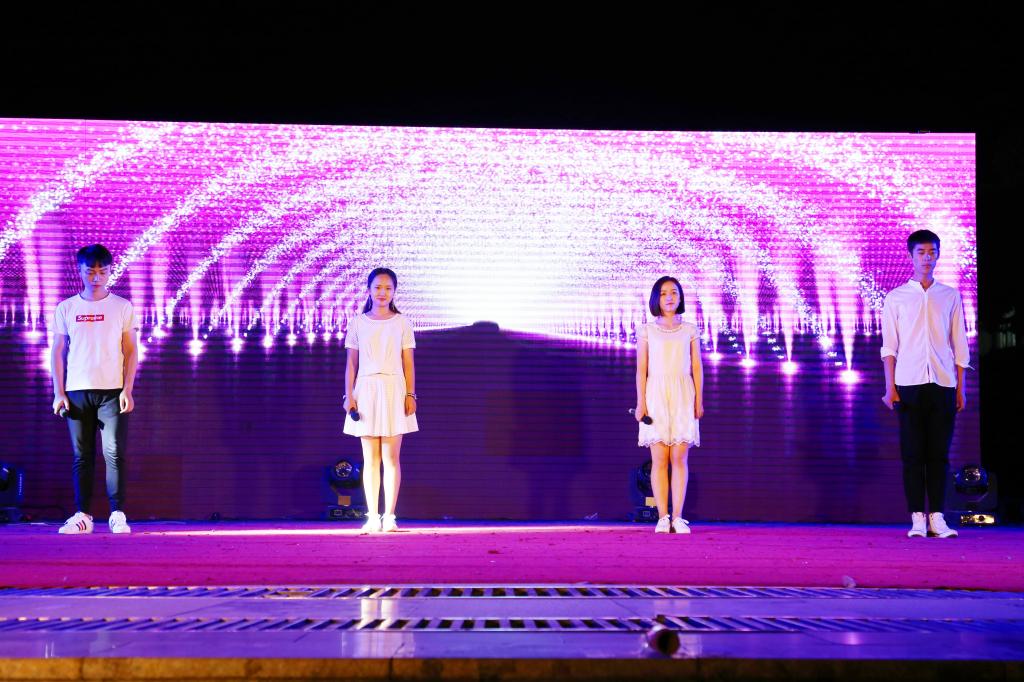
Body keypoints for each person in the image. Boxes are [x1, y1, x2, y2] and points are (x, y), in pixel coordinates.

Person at [881, 229, 971, 539]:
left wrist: (961, 387)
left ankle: (938, 517)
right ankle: (917, 518)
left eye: (932, 252)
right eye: (921, 252)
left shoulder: (950, 295)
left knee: (939, 454)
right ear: (911, 256)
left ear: (938, 255)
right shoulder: (896, 298)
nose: (927, 258)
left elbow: (959, 343)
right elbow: (890, 347)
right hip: (908, 382)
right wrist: (890, 387)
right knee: (912, 454)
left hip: (943, 382)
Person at [51, 244, 139, 535]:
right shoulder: (66, 307)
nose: (97, 277)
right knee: (82, 455)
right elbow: (58, 351)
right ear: (80, 271)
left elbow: (130, 350)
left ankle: (117, 513)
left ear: (111, 271)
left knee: (114, 452)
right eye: (90, 271)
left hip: (112, 391)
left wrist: (128, 389)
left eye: (103, 271)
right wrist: (59, 392)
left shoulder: (122, 306)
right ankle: (83, 516)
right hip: (77, 391)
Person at [343, 268, 418, 533]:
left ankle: (389, 516)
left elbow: (408, 363)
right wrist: (349, 396)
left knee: (391, 457)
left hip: (394, 388)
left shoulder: (402, 322)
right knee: (370, 458)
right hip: (366, 390)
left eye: (388, 288)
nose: (382, 293)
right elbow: (351, 364)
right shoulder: (358, 322)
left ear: (394, 291)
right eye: (377, 287)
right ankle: (373, 516)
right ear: (369, 290)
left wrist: (410, 394)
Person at [635, 276, 704, 534]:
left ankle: (678, 517)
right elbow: (641, 369)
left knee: (679, 457)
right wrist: (641, 402)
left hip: (683, 394)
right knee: (659, 458)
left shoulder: (690, 330)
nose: (669, 297)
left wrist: (699, 399)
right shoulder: (647, 330)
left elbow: (697, 367)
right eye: (664, 293)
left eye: (674, 292)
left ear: (680, 297)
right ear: (656, 298)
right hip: (655, 394)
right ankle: (662, 517)